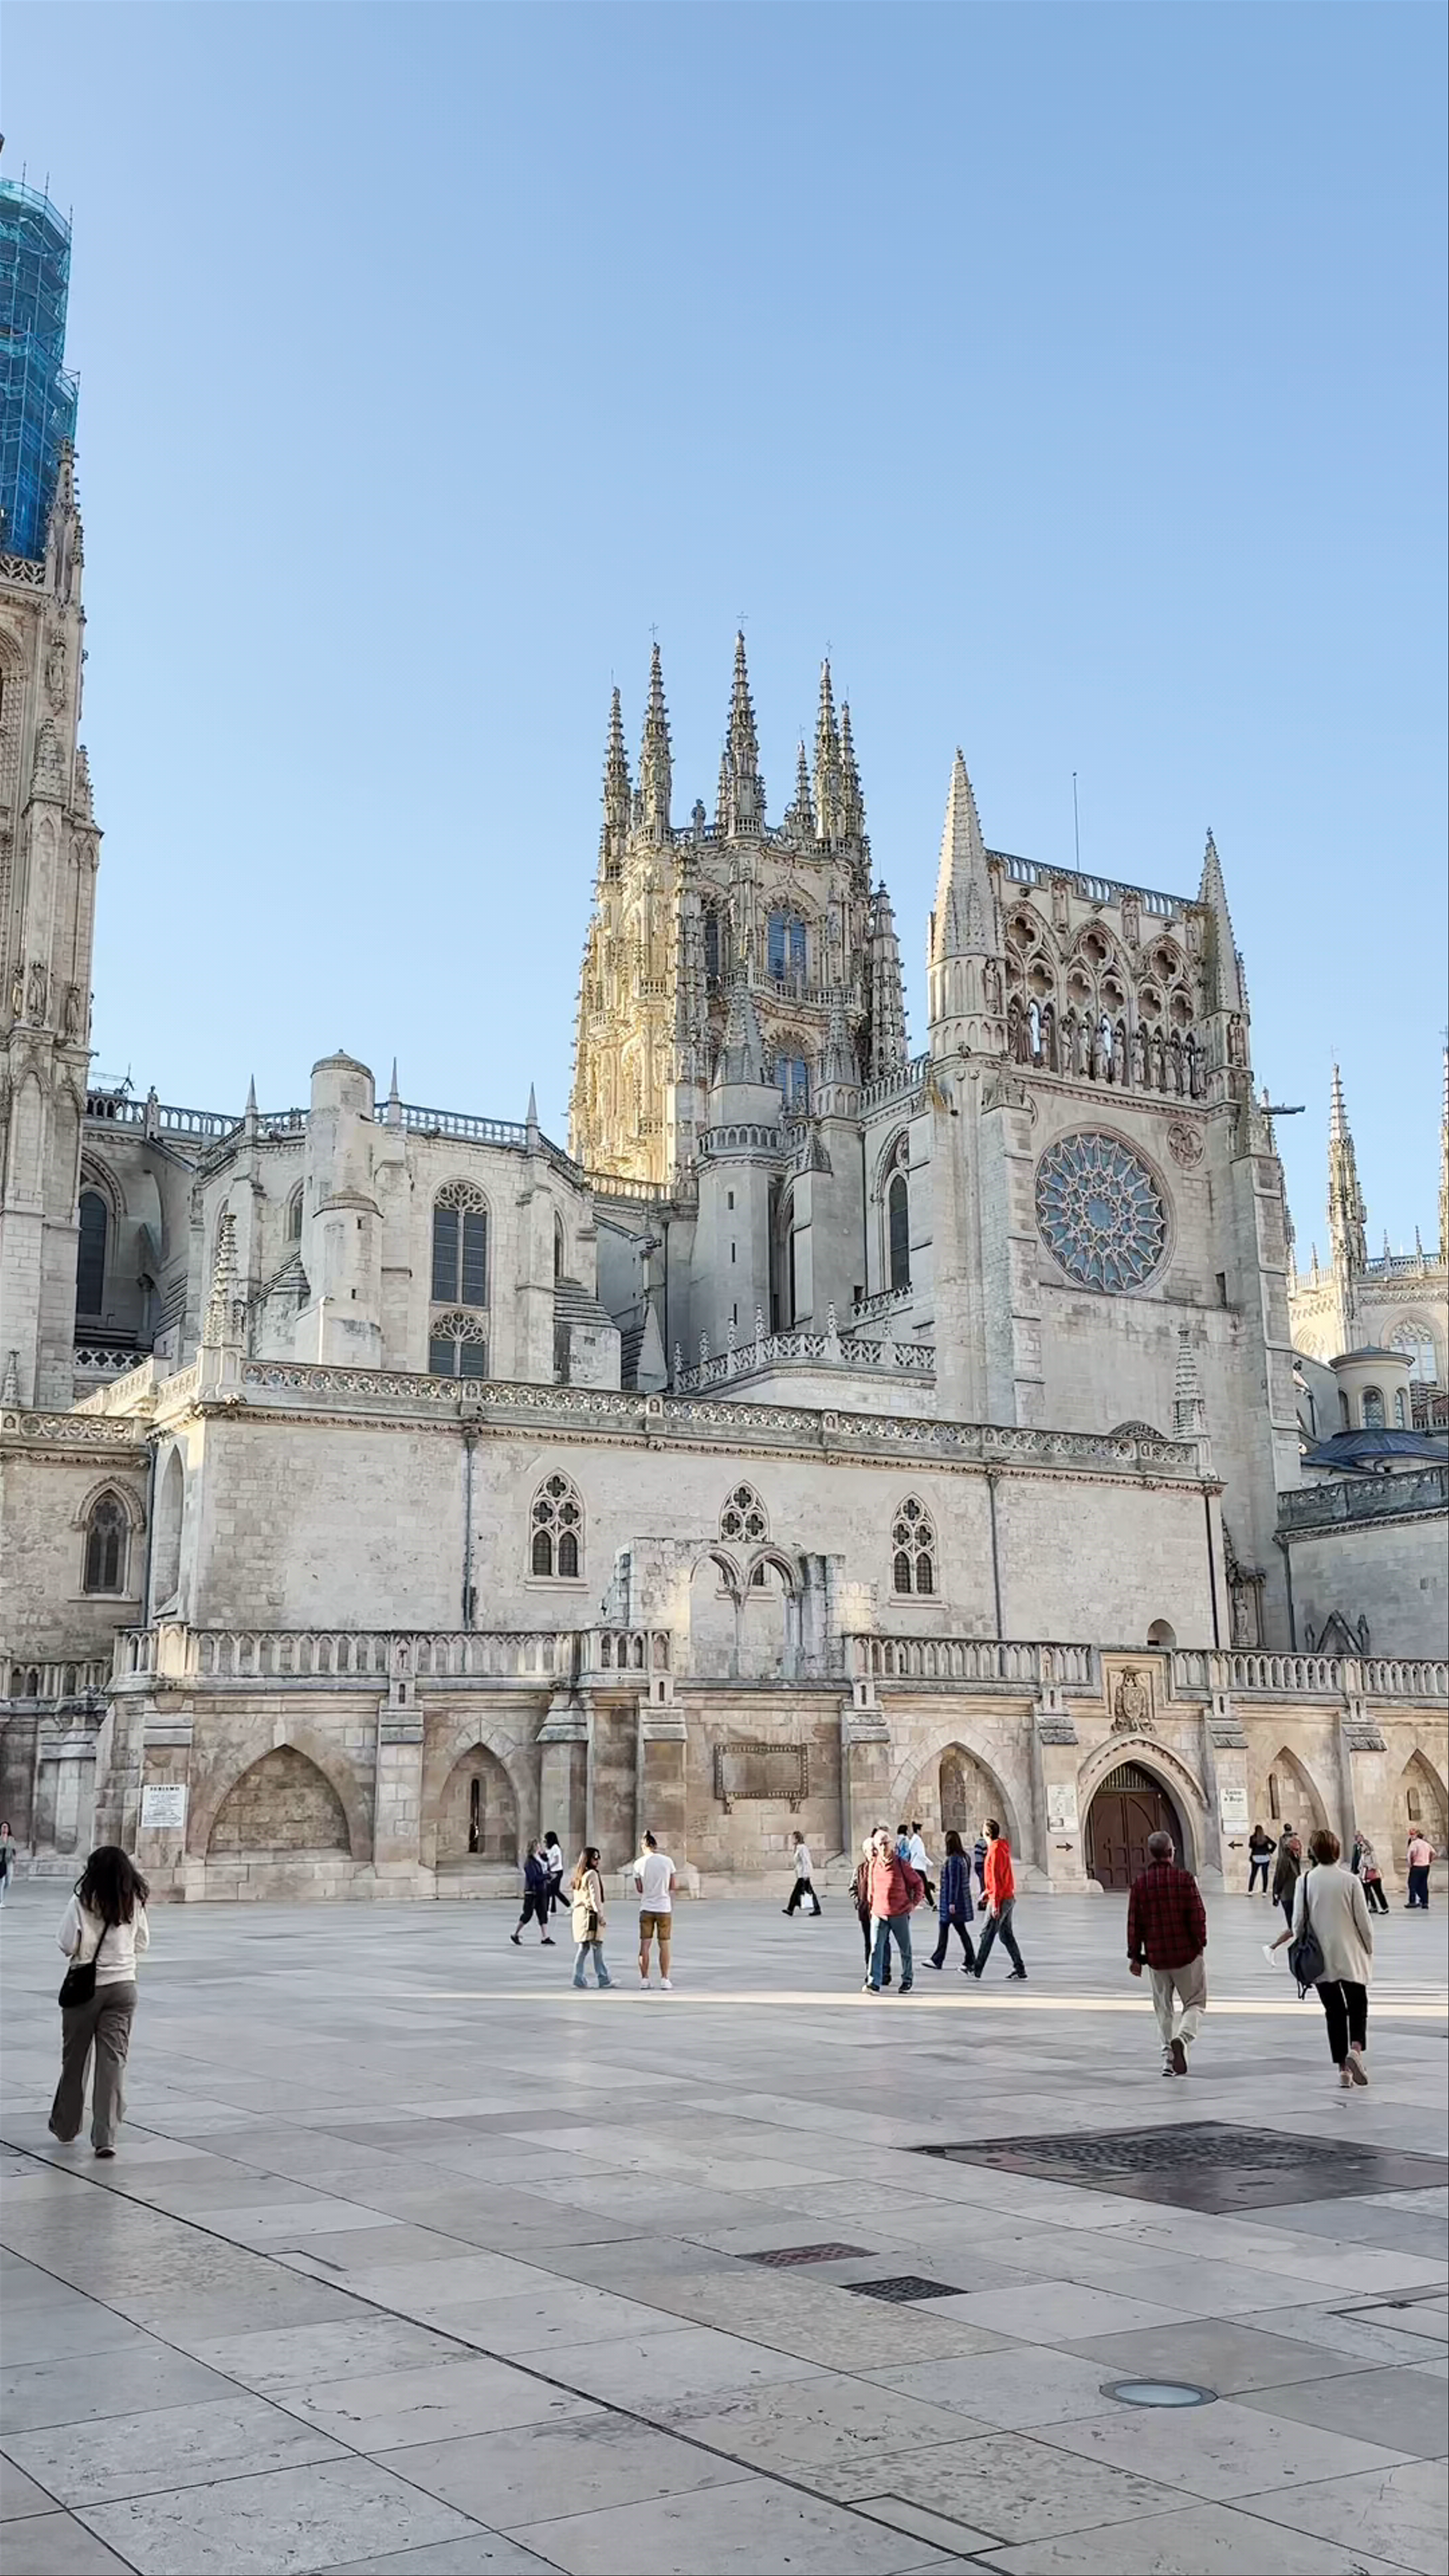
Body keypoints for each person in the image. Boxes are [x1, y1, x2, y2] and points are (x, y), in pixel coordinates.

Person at [49, 1847, 150, 2158]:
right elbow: (142, 1942)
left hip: (85, 1989)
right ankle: (106, 2137)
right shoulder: (132, 1901)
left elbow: (67, 1944)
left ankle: (66, 2127)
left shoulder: (81, 1901)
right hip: (124, 1987)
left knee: (75, 2059)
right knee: (113, 2062)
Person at [1271, 1827, 1373, 2089]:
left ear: (1313, 1852)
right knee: (1357, 2004)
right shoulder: (1350, 1881)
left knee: (1334, 2011)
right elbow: (1364, 1922)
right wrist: (1368, 1949)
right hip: (1350, 1954)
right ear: (1337, 1850)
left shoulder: (1305, 1881)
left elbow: (1298, 1924)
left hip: (1320, 1958)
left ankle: (1343, 2070)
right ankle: (1356, 2050)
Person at [1127, 1828, 1208, 2076]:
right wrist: (1200, 1944)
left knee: (1163, 2008)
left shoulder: (1141, 1884)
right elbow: (1198, 1915)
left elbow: (1134, 1923)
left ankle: (1168, 2060)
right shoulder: (1185, 1879)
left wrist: (1135, 1956)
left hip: (1157, 1957)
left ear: (1151, 1854)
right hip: (1186, 1954)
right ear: (1171, 1852)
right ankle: (1183, 2039)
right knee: (1195, 2002)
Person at [866, 1826, 921, 1994]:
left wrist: (913, 1903)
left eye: (886, 1844)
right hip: (879, 1913)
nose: (884, 1847)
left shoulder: (901, 1864)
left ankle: (907, 1980)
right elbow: (871, 1886)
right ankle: (874, 1982)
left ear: (891, 1845)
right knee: (876, 1948)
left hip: (899, 1912)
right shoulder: (874, 1864)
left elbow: (918, 1883)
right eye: (880, 1844)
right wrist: (871, 1905)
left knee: (905, 1949)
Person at [972, 1819, 1027, 1980]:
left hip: (1001, 1898)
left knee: (987, 1933)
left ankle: (976, 1969)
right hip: (1008, 1896)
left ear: (986, 1833)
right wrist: (987, 1892)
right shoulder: (1002, 1847)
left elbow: (997, 1879)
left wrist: (994, 1903)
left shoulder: (995, 1851)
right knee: (1006, 1935)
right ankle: (1020, 1969)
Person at [928, 1829, 976, 1972]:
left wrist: (952, 1903)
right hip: (960, 1901)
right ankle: (939, 1958)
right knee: (952, 1928)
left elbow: (954, 1883)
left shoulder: (954, 1860)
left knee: (956, 1929)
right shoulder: (964, 1857)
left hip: (952, 1902)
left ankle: (969, 1959)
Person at [635, 1830, 677, 1989]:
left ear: (644, 1846)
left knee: (645, 1945)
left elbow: (640, 1889)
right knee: (664, 1944)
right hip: (664, 1907)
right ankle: (665, 1979)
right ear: (655, 1845)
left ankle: (645, 1979)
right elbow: (673, 1886)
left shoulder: (638, 1864)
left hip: (646, 1907)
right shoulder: (668, 1862)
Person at [851, 1833, 890, 1985]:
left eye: (875, 1849)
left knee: (884, 1942)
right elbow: (853, 1888)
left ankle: (885, 1972)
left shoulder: (884, 1867)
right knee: (870, 1944)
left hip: (882, 1912)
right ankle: (871, 1971)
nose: (874, 1853)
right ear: (865, 1853)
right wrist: (859, 1903)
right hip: (866, 1913)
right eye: (871, 1850)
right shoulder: (860, 1870)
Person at [569, 1847, 612, 1989]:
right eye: (595, 1858)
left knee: (584, 1947)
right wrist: (601, 1916)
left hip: (579, 1914)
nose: (598, 1861)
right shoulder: (592, 1874)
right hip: (590, 1915)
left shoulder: (579, 1875)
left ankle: (578, 1977)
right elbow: (595, 1898)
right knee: (597, 1946)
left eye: (598, 1858)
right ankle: (603, 1978)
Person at [510, 1844, 555, 1947]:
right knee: (528, 1914)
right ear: (535, 1848)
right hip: (532, 1892)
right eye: (539, 1847)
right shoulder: (530, 1863)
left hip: (541, 1891)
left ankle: (545, 1937)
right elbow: (533, 1878)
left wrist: (548, 1875)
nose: (541, 1848)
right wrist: (547, 1876)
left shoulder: (540, 1860)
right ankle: (516, 1934)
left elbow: (546, 1868)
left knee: (543, 1913)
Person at [783, 1829, 820, 1917]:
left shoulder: (802, 1848)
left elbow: (806, 1861)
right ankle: (817, 1908)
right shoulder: (798, 1848)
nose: (792, 1840)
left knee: (796, 1892)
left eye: (793, 1838)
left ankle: (790, 1909)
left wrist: (806, 1875)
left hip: (803, 1875)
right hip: (801, 1874)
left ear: (797, 1839)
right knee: (809, 1891)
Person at [1272, 1831, 1302, 1930]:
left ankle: (1274, 1946)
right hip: (1288, 1895)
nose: (1299, 1844)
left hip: (1295, 1894)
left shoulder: (1295, 1857)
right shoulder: (1285, 1859)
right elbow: (1280, 1877)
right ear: (1289, 1845)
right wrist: (1276, 1893)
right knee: (1293, 1926)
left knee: (1296, 1925)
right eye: (1296, 1842)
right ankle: (1274, 1946)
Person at [1353, 1832, 1389, 1914]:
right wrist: (1360, 1869)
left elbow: (1376, 1865)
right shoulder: (1363, 1855)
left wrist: (1369, 1866)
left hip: (1374, 1876)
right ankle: (1366, 1908)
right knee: (1365, 1893)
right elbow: (1360, 1865)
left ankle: (1385, 1907)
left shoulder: (1372, 1855)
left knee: (1379, 1892)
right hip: (1365, 1876)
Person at [906, 1821, 936, 1909]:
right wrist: (930, 1863)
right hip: (918, 1866)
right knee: (925, 1886)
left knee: (920, 1886)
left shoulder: (914, 1840)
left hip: (915, 1866)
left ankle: (928, 1903)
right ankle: (932, 1904)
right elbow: (921, 1855)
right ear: (919, 1830)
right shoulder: (918, 1841)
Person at [1406, 1829, 1435, 1910]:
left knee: (1412, 1884)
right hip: (1426, 1866)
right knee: (1424, 1884)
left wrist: (1410, 1864)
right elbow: (1434, 1853)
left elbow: (1410, 1855)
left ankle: (1413, 1901)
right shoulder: (1426, 1844)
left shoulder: (1414, 1844)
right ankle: (1425, 1902)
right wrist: (1429, 1861)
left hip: (1417, 1866)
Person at [542, 1830, 566, 1916]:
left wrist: (549, 1866)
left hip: (557, 1871)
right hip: (552, 1871)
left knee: (554, 1891)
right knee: (551, 1891)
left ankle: (569, 1906)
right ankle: (552, 1910)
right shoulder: (550, 1849)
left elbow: (556, 1861)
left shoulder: (556, 1848)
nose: (545, 1842)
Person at [1247, 1823, 1275, 1896]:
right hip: (1265, 1858)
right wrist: (1270, 1851)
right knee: (1265, 1875)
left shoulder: (1252, 1838)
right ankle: (1264, 1892)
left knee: (1253, 1875)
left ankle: (1250, 1891)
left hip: (1255, 1858)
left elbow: (1251, 1846)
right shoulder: (1266, 1838)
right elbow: (1275, 1845)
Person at [0, 1819, 16, 1906]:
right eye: (3, 1827)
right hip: (1, 1862)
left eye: (6, 1827)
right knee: (1, 1882)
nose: (5, 1829)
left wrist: (14, 1859)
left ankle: (2, 1897)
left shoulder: (11, 1839)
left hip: (9, 1862)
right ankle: (1, 1901)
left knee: (8, 1882)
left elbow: (13, 1849)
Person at [972, 1833, 989, 1901]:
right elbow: (985, 1855)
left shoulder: (977, 1842)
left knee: (982, 1884)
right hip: (982, 1865)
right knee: (984, 1885)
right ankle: (984, 1900)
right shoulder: (984, 1843)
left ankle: (983, 1899)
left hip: (977, 1865)